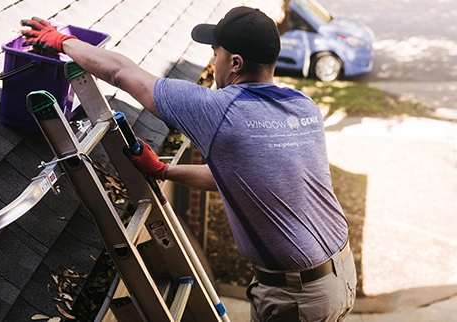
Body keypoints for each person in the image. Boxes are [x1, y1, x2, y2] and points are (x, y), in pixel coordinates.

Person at [21, 6, 356, 321]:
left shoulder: (219, 111)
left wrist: (63, 41)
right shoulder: (303, 106)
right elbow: (243, 177)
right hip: (340, 272)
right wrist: (164, 171)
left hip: (298, 295)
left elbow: (120, 72)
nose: (214, 59)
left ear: (235, 63)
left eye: (216, 52)